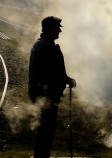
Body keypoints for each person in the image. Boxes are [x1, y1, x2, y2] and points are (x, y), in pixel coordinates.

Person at [28, 16, 76, 158]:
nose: (59, 32)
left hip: (41, 96)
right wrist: (67, 80)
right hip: (47, 97)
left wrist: (65, 79)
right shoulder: (47, 48)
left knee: (43, 131)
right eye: (56, 29)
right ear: (48, 29)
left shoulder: (40, 44)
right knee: (46, 132)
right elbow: (51, 73)